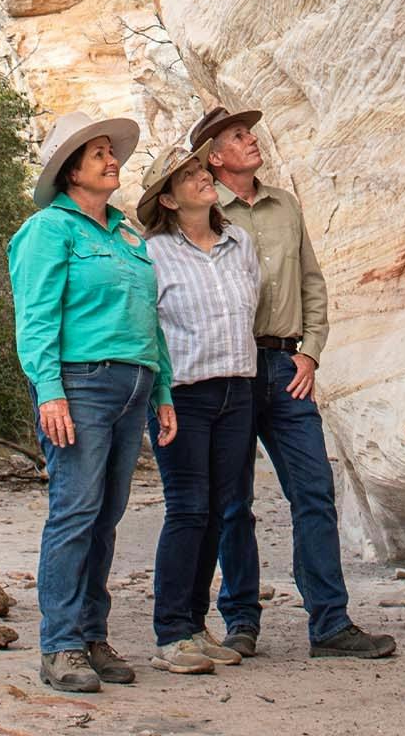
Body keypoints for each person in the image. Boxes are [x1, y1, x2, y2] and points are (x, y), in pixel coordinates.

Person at [189, 104, 397, 660]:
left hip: (285, 369)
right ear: (215, 157)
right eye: (237, 136)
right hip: (230, 372)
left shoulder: (286, 206)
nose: (250, 140)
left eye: (249, 132)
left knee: (313, 491)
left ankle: (330, 624)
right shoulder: (207, 211)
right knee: (233, 503)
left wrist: (311, 354)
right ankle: (240, 621)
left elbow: (312, 283)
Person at [8, 113, 179, 694]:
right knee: (76, 511)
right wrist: (49, 391)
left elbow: (149, 320)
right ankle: (60, 646)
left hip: (134, 386)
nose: (113, 160)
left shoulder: (125, 234)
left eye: (112, 151)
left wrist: (162, 389)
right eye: (99, 153)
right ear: (70, 171)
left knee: (106, 516)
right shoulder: (47, 230)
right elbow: (34, 319)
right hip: (80, 384)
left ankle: (90, 633)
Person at [134, 141, 259, 676]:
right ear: (167, 199)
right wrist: (159, 396)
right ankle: (170, 632)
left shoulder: (241, 242)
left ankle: (193, 624)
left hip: (238, 391)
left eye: (199, 169)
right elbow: (147, 329)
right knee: (187, 507)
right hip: (182, 393)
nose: (202, 177)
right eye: (186, 175)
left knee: (220, 509)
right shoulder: (153, 254)